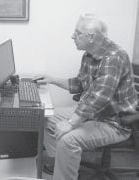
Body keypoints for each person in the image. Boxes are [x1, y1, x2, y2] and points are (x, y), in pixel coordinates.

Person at [34, 15, 138, 180]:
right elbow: (79, 84)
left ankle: (64, 173)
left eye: (78, 33)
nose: (72, 36)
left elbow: (100, 96)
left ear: (91, 37)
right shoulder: (89, 55)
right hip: (94, 115)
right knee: (43, 116)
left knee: (68, 140)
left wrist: (70, 123)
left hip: (114, 122)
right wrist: (52, 80)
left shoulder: (114, 57)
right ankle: (61, 163)